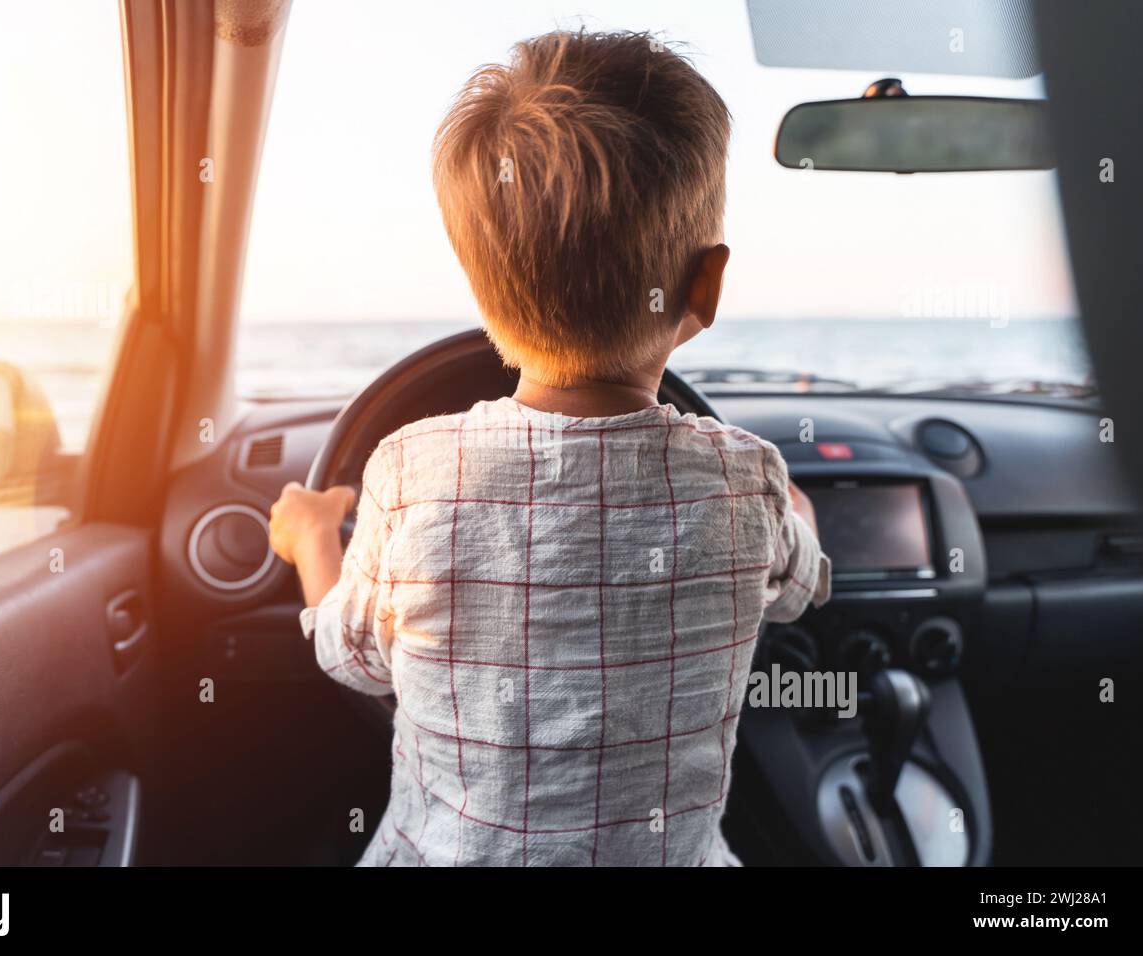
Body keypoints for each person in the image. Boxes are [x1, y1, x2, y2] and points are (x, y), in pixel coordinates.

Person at [269, 30, 829, 866]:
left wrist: (312, 537)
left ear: (481, 290)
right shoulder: (747, 481)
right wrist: (799, 513)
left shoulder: (413, 474)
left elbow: (352, 653)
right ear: (705, 288)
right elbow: (801, 591)